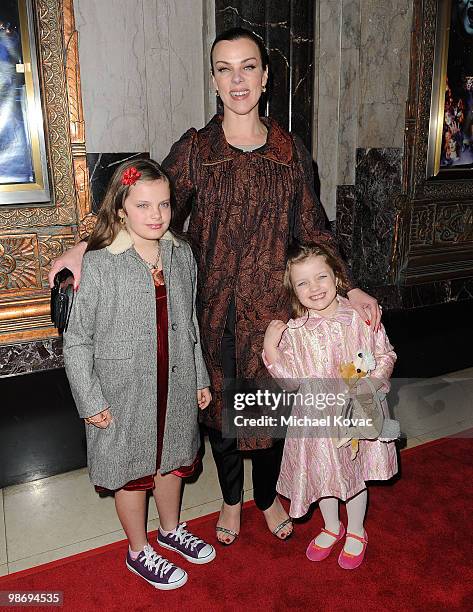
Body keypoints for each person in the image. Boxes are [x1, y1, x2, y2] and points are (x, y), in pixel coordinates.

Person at [50, 27, 381, 545]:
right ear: (214, 80)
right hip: (212, 310)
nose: (238, 78)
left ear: (265, 76)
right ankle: (231, 503)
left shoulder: (289, 152)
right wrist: (83, 247)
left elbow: (315, 229)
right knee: (224, 415)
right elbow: (146, 203)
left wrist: (349, 286)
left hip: (275, 313)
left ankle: (267, 500)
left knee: (271, 411)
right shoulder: (196, 150)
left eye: (248, 66)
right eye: (225, 68)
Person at [63, 159, 215, 590]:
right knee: (132, 470)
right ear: (121, 209)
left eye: (164, 205)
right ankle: (137, 549)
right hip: (123, 391)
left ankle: (170, 530)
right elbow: (77, 342)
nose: (156, 215)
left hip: (176, 381)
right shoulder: (100, 264)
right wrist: (91, 401)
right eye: (143, 205)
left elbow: (189, 323)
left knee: (171, 460)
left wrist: (200, 376)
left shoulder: (180, 254)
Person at [263, 242, 398, 569]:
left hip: (356, 410)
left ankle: (355, 530)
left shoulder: (358, 318)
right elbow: (291, 381)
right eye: (303, 283)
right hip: (315, 419)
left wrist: (369, 385)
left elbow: (385, 355)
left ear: (336, 277)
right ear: (293, 290)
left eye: (320, 277)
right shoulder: (295, 331)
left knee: (354, 474)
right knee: (322, 475)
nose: (314, 288)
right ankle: (331, 525)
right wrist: (271, 346)